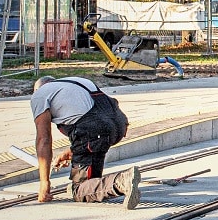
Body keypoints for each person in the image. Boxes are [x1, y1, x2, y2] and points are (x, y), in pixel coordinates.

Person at [31, 76, 139, 208]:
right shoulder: (74, 82)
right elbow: (96, 114)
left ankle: (122, 181)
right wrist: (73, 151)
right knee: (91, 185)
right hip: (118, 125)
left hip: (95, 132)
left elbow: (44, 139)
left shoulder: (40, 95)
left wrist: (44, 182)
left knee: (79, 191)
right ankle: (109, 184)